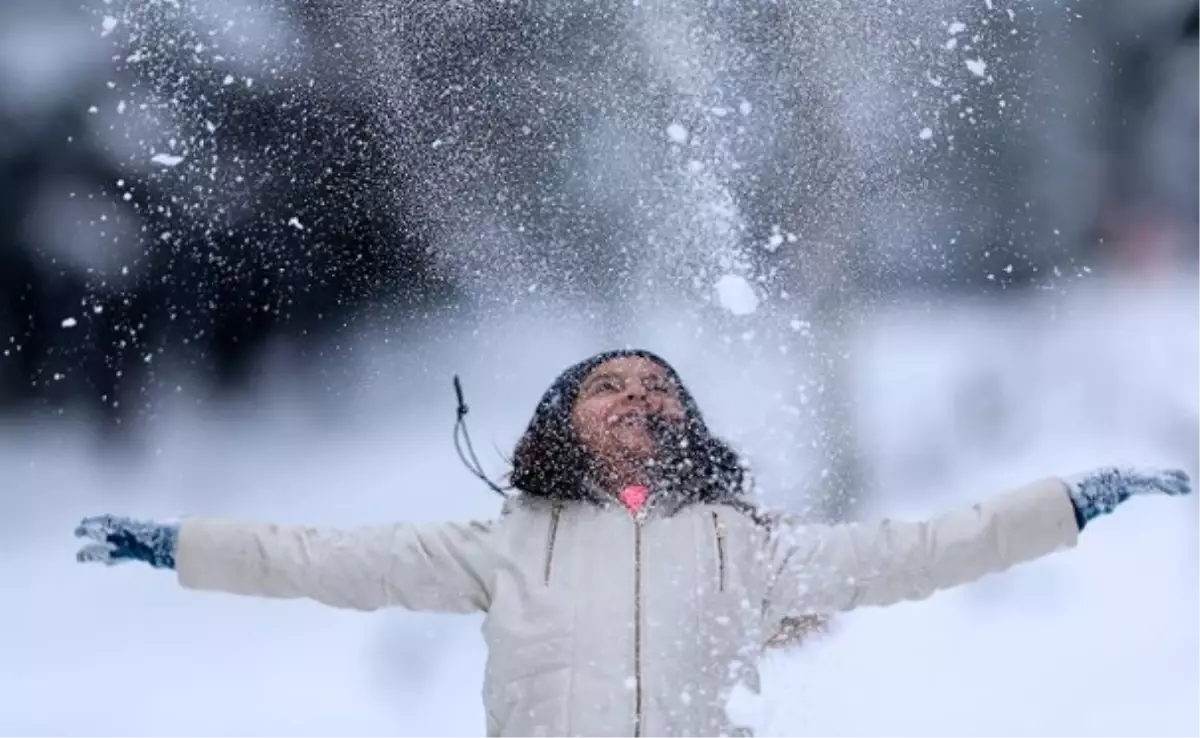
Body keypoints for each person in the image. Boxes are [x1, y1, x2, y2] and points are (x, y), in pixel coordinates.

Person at [75, 349, 1191, 738]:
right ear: (561, 422)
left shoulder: (746, 550)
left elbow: (922, 548)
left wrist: (1070, 503)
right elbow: (317, 556)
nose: (636, 398)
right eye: (607, 386)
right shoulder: (503, 545)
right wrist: (178, 546)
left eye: (659, 387)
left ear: (688, 425)